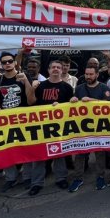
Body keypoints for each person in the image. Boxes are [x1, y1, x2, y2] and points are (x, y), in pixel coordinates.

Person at [28, 60, 75, 195]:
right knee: (39, 154)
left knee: (59, 153)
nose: (55, 69)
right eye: (53, 67)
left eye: (58, 67)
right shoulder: (40, 86)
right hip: (41, 126)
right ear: (48, 70)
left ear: (62, 70)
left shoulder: (66, 87)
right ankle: (37, 183)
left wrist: (64, 105)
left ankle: (61, 178)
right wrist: (32, 88)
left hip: (58, 126)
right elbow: (31, 103)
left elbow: (71, 109)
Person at [0, 52, 36, 191]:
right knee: (7, 151)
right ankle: (11, 178)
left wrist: (26, 82)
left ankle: (27, 177)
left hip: (24, 120)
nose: (7, 64)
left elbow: (32, 100)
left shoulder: (25, 76)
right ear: (1, 65)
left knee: (26, 149)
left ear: (15, 62)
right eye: (4, 62)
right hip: (6, 122)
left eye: (10, 61)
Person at [67, 66, 110, 192]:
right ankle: (78, 178)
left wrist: (92, 101)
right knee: (80, 153)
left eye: (91, 74)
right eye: (86, 74)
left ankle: (100, 177)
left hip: (99, 127)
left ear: (97, 74)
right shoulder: (79, 89)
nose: (88, 76)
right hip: (82, 127)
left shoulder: (104, 88)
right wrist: (72, 101)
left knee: (99, 153)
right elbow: (72, 106)